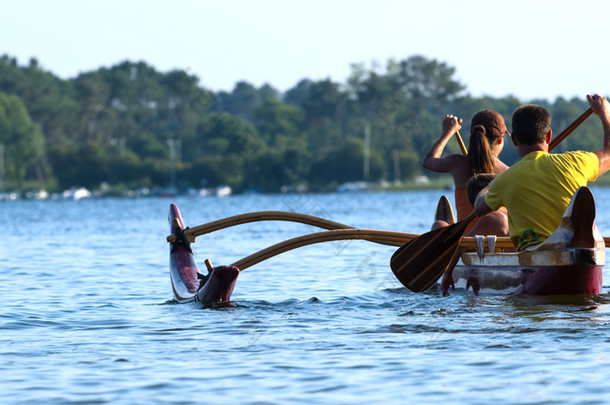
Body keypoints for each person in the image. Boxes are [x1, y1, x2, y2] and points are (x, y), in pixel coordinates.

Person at [474, 94, 610, 251]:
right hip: (575, 249)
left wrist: (489, 185)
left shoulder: (504, 180)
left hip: (534, 256)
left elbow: (479, 208)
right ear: (549, 136)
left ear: (515, 140)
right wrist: (604, 113)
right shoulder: (576, 162)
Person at [423, 110, 510, 231]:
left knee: (439, 225)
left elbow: (428, 161)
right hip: (497, 243)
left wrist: (447, 133)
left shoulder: (458, 163)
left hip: (465, 241)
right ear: (500, 139)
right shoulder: (508, 172)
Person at [441, 173, 509, 295]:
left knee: (439, 225)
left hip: (506, 280)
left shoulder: (490, 219)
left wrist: (447, 272)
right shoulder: (509, 213)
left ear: (473, 205)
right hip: (528, 263)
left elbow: (461, 245)